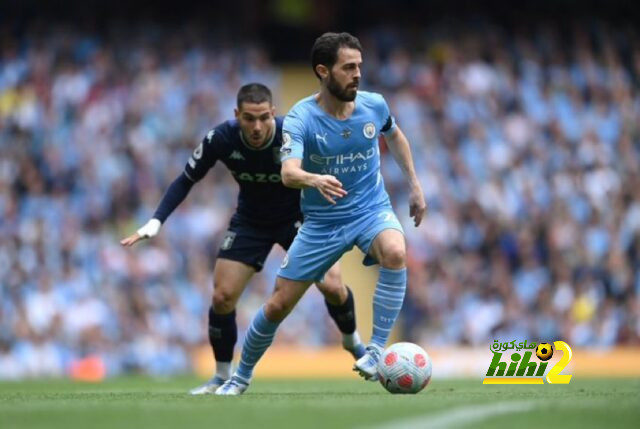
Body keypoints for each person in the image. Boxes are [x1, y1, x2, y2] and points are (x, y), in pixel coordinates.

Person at [215, 33, 426, 395]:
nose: (357, 74)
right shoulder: (301, 117)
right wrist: (315, 179)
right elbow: (288, 172)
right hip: (322, 223)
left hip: (370, 210)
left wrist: (415, 185)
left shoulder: (374, 105)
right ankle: (240, 376)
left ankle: (375, 350)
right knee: (279, 304)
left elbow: (396, 136)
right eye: (348, 67)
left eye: (359, 66)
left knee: (395, 250)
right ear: (323, 71)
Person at [120, 83, 366, 394]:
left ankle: (352, 339)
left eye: (264, 117)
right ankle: (222, 376)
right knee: (222, 297)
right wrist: (156, 221)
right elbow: (186, 179)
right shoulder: (221, 138)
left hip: (301, 219)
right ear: (237, 115)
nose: (257, 126)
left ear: (273, 114)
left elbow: (334, 168)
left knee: (332, 285)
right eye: (249, 118)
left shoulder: (295, 133)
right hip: (251, 222)